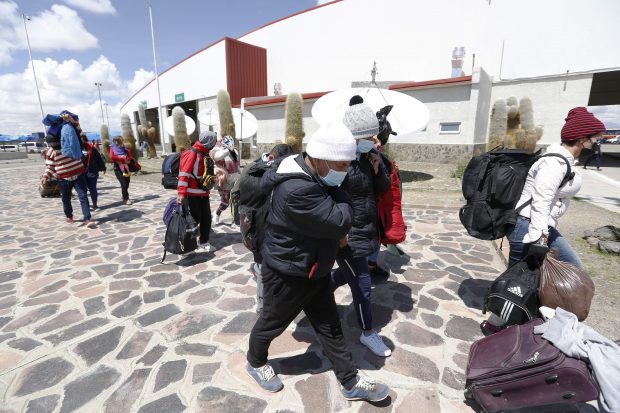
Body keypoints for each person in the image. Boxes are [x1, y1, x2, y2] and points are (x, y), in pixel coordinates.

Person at [245, 121, 389, 402]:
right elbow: (341, 219)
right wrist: (342, 208)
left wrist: (339, 201)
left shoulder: (317, 175)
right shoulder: (296, 189)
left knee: (330, 326)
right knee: (271, 324)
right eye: (343, 165)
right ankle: (256, 362)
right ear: (321, 159)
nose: (346, 171)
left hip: (314, 268)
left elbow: (338, 209)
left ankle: (350, 382)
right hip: (289, 274)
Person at [483, 107, 605, 334]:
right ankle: (496, 323)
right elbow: (540, 200)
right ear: (581, 138)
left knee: (529, 277)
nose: (596, 141)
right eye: (594, 136)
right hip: (528, 226)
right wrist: (539, 237)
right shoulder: (554, 163)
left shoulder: (564, 160)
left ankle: (525, 319)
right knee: (520, 279)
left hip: (537, 226)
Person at [331, 101, 392, 357]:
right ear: (354, 136)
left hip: (368, 231)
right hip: (348, 236)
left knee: (348, 276)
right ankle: (368, 333)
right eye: (369, 135)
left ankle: (318, 291)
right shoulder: (338, 161)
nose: (374, 139)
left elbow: (383, 188)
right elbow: (328, 196)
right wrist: (339, 232)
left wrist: (378, 170)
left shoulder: (369, 156)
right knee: (363, 286)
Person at [231, 143, 295, 314]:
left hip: (250, 226)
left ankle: (258, 273)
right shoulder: (275, 174)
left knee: (262, 264)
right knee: (266, 269)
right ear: (273, 159)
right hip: (263, 229)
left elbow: (235, 192)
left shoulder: (251, 168)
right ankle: (262, 306)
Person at [40, 134, 94, 227]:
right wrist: (45, 176)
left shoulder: (71, 145)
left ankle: (87, 218)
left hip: (78, 175)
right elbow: (50, 167)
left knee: (83, 196)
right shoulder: (50, 152)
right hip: (63, 179)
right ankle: (69, 216)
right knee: (65, 199)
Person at [177, 131, 217, 252]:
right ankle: (187, 244)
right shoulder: (191, 153)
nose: (215, 144)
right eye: (214, 141)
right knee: (194, 220)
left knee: (206, 219)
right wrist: (181, 193)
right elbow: (183, 174)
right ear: (209, 142)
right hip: (192, 194)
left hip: (203, 193)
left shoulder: (204, 153)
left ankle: (204, 242)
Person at [210, 134, 240, 225]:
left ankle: (236, 219)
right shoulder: (216, 150)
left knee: (237, 199)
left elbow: (237, 165)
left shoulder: (234, 151)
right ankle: (217, 213)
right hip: (224, 180)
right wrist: (228, 149)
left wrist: (241, 175)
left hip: (235, 179)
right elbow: (217, 156)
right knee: (225, 202)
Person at [80, 134, 106, 211]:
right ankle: (86, 205)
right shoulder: (76, 148)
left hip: (92, 171)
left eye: (82, 139)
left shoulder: (92, 148)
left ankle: (95, 205)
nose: (81, 141)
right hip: (80, 172)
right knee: (83, 190)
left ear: (85, 139)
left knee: (93, 189)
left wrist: (103, 167)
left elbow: (99, 158)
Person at [109, 136, 134, 205]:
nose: (123, 141)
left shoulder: (123, 148)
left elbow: (129, 155)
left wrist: (128, 159)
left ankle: (124, 195)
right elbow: (112, 157)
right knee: (124, 183)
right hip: (118, 169)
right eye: (121, 140)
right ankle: (126, 198)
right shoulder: (112, 148)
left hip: (126, 168)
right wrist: (122, 159)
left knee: (127, 182)